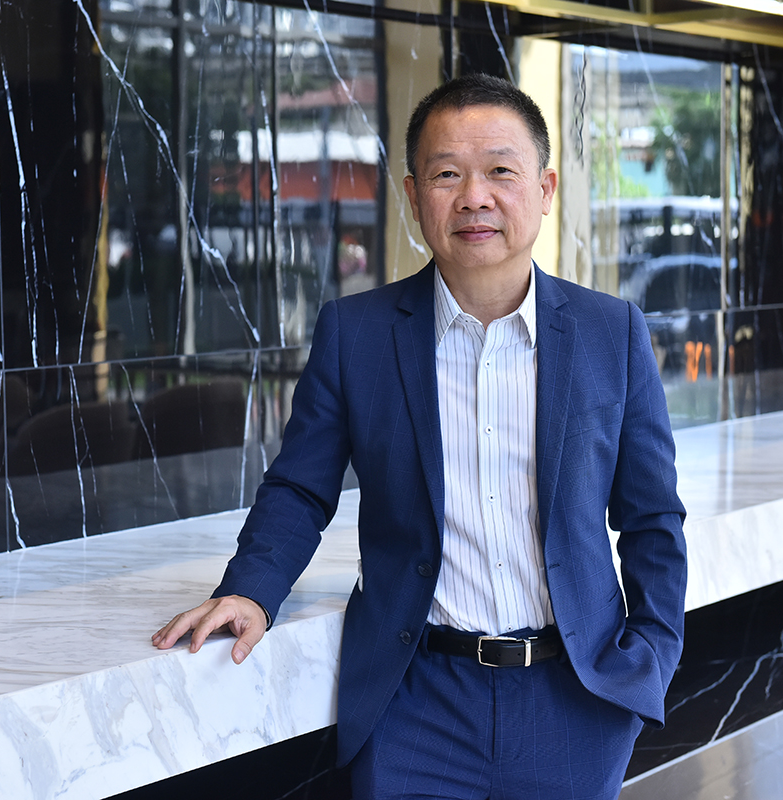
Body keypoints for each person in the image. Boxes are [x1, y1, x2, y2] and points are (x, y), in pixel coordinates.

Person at [154, 74, 687, 799]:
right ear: (413, 196)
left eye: (501, 171)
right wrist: (250, 590)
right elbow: (300, 487)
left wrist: (650, 656)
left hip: (575, 703)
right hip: (415, 704)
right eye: (447, 175)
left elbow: (653, 519)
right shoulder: (357, 334)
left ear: (545, 189)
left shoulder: (611, 333)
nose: (474, 197)